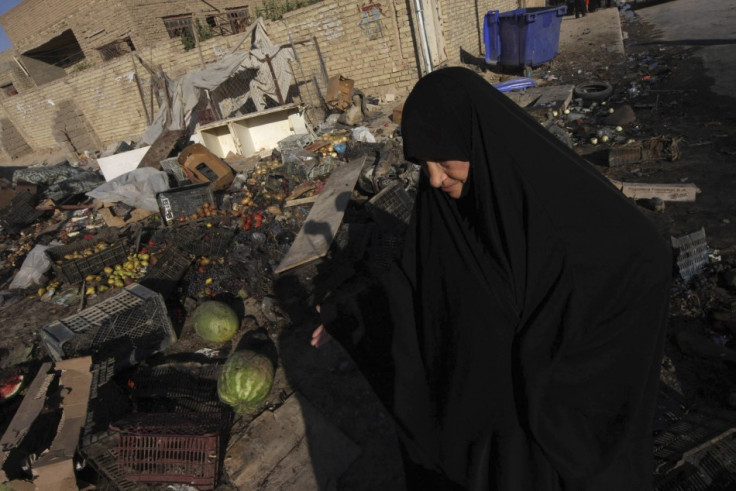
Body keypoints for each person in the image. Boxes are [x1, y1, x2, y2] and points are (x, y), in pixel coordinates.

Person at [314, 66, 672, 490]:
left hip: (544, 441)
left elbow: (642, 257)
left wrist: (546, 360)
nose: (433, 178)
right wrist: (352, 317)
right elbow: (421, 289)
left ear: (478, 143)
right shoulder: (446, 209)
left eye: (444, 161)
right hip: (481, 435)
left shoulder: (553, 211)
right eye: (422, 163)